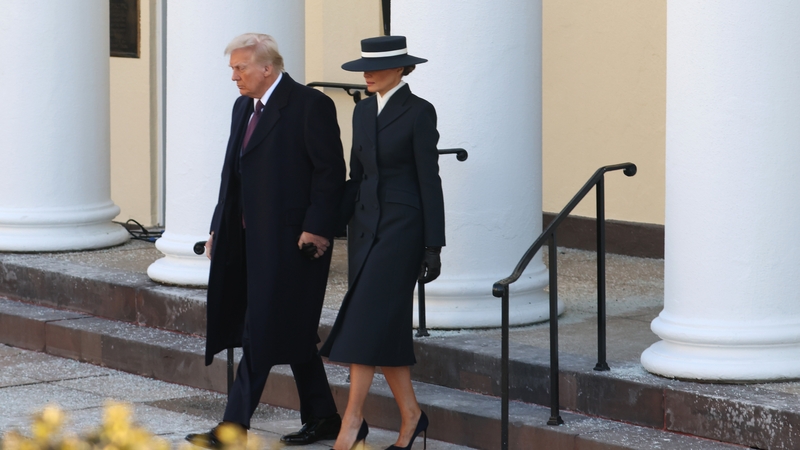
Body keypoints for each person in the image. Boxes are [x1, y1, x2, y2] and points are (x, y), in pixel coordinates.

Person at [186, 33, 346, 448]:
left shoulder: (311, 105)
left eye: (240, 68)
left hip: (294, 242)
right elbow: (232, 176)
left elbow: (330, 173)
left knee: (261, 329)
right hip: (246, 239)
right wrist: (218, 225)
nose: (234, 76)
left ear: (267, 68)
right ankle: (325, 416)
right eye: (233, 68)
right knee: (289, 327)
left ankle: (232, 428)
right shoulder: (243, 106)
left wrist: (318, 227)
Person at [319, 35, 445, 450]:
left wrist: (433, 245)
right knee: (383, 327)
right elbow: (357, 177)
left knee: (365, 320)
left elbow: (430, 180)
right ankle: (411, 416)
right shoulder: (360, 111)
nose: (366, 75)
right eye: (363, 69)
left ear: (401, 69)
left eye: (374, 69)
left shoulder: (419, 112)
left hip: (403, 230)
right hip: (365, 228)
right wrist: (325, 225)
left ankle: (351, 422)